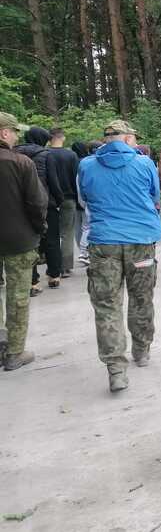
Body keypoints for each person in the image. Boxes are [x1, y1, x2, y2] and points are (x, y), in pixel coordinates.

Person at [78, 119, 161, 393]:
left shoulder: (86, 165)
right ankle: (142, 350)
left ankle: (116, 370)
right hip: (141, 242)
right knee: (141, 296)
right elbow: (154, 196)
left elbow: (84, 200)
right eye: (134, 138)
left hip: (104, 244)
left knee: (107, 306)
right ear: (126, 139)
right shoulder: (145, 163)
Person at [0, 112, 47, 371]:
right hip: (18, 240)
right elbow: (36, 203)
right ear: (4, 133)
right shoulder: (20, 163)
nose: (17, 136)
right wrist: (40, 230)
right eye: (14, 131)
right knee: (18, 296)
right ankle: (14, 352)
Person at [16, 126, 58, 293]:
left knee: (29, 243)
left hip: (21, 205)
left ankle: (32, 281)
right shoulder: (47, 154)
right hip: (46, 203)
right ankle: (54, 274)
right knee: (52, 239)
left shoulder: (15, 153)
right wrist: (58, 200)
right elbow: (53, 181)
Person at [46, 128, 79, 280]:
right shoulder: (71, 155)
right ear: (63, 138)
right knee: (67, 233)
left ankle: (52, 266)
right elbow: (75, 178)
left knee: (51, 234)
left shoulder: (45, 154)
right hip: (69, 198)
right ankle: (65, 267)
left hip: (50, 199)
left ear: (49, 138)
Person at [72, 141, 92, 265]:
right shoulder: (88, 163)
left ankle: (82, 250)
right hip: (83, 199)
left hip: (72, 198)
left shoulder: (73, 161)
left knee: (77, 227)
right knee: (86, 226)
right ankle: (84, 252)